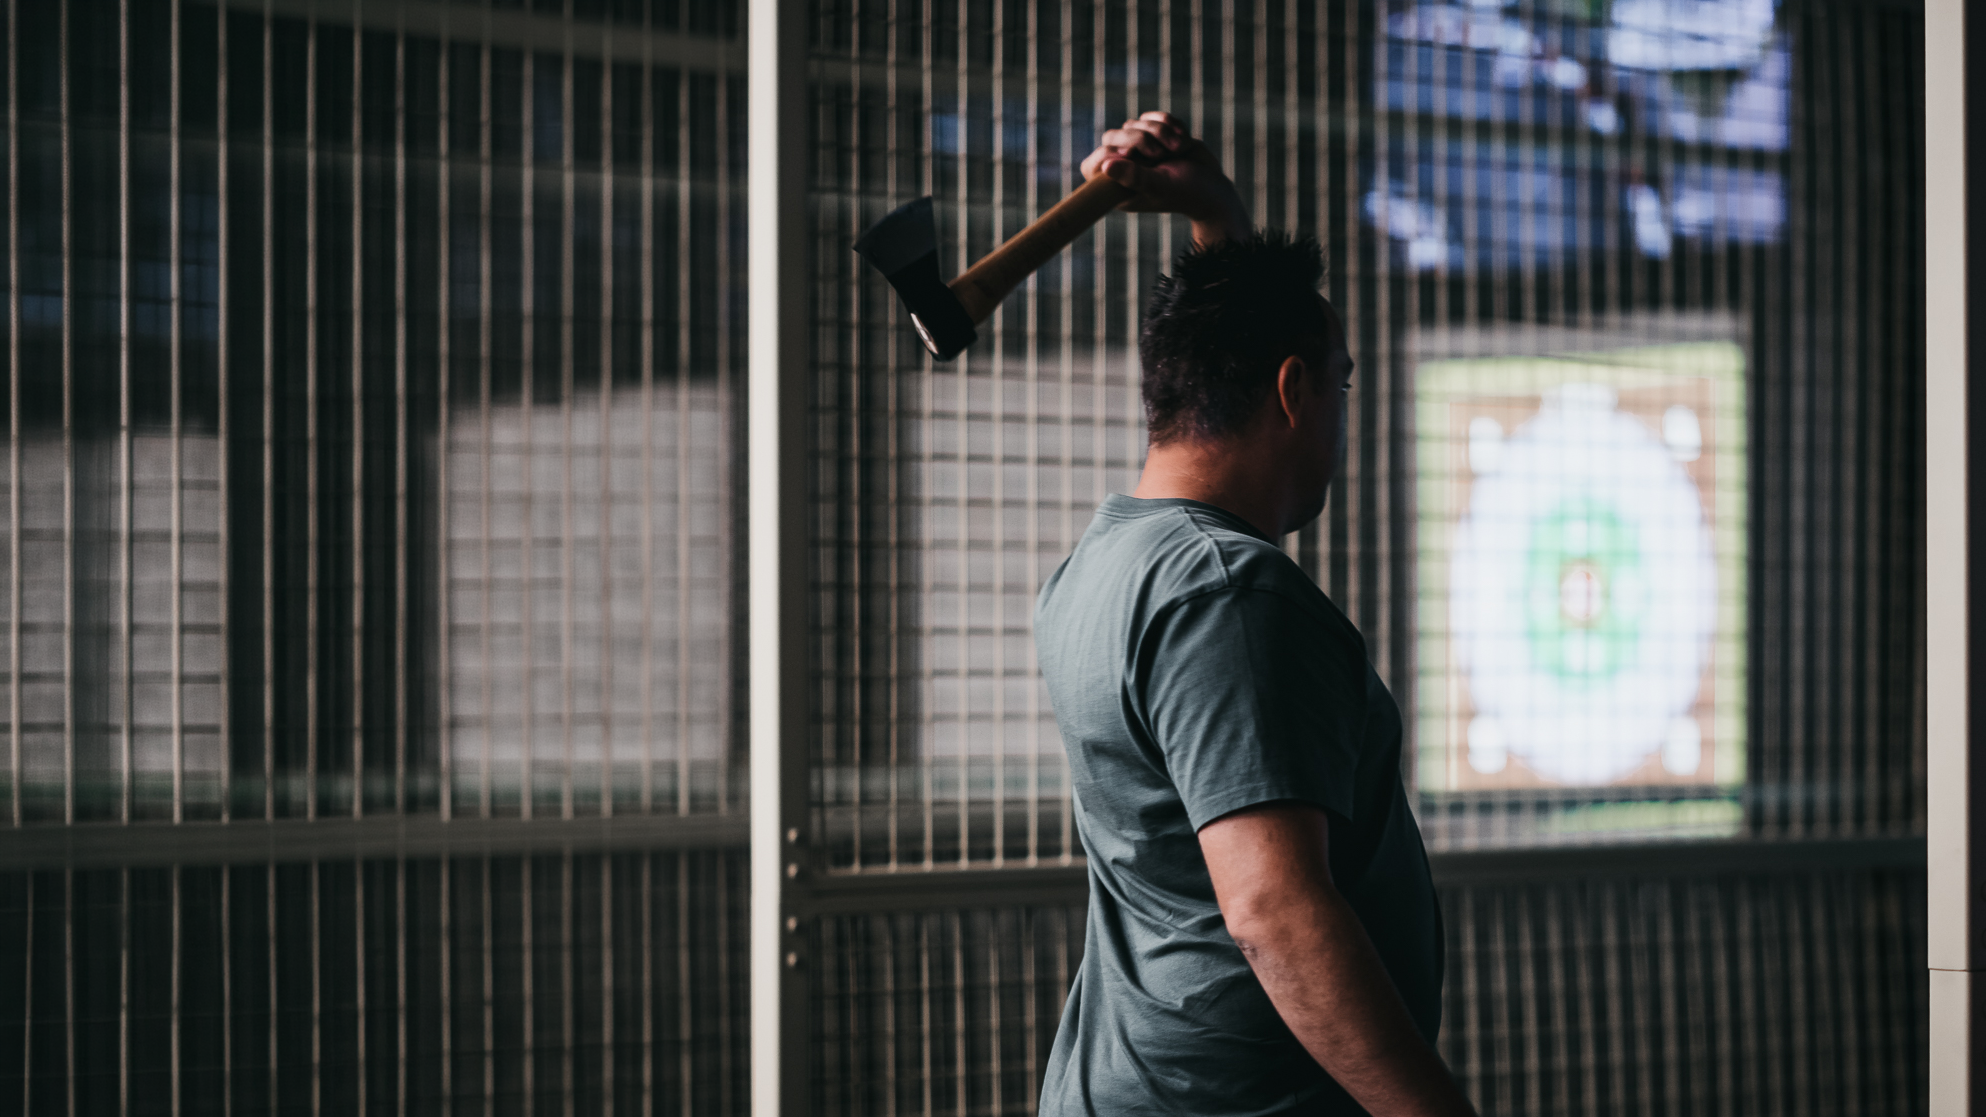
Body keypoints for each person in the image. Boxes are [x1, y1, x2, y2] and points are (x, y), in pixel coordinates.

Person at [1032, 112, 1478, 1117]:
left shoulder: (1103, 566)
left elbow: (1224, 347)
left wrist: (1217, 215)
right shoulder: (1223, 594)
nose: (1341, 416)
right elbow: (1275, 908)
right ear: (1292, 390)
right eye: (1342, 384)